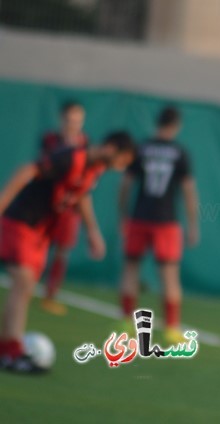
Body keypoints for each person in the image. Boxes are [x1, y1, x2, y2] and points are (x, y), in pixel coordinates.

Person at [0, 131, 136, 373]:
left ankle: (8, 348)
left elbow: (81, 195)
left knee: (26, 287)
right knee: (22, 282)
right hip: (21, 221)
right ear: (111, 148)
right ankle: (11, 350)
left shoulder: (95, 169)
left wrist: (92, 232)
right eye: (123, 160)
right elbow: (28, 170)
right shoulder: (71, 157)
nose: (121, 167)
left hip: (41, 230)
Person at [118, 106, 199, 344]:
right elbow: (188, 191)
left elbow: (125, 184)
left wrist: (123, 214)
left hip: (139, 217)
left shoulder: (141, 148)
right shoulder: (180, 152)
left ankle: (126, 321)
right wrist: (193, 224)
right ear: (176, 126)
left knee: (131, 269)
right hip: (166, 221)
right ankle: (171, 327)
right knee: (170, 276)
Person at [39, 101, 90, 316]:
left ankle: (51, 294)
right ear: (62, 120)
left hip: (69, 207)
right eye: (70, 120)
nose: (73, 125)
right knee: (38, 245)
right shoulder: (51, 140)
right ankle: (28, 281)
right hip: (46, 204)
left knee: (62, 250)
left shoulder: (85, 143)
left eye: (78, 121)